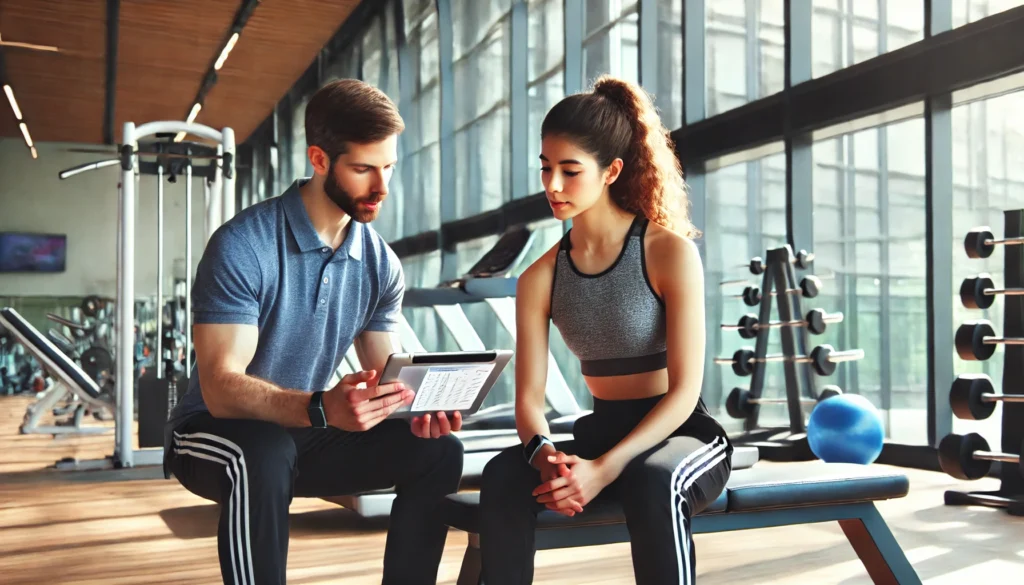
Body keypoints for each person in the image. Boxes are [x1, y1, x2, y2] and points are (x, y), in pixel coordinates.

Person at [163, 79, 465, 585]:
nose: (382, 187)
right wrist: (321, 407)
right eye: (364, 169)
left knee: (438, 451)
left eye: (388, 167)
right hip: (212, 435)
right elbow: (219, 388)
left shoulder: (380, 263)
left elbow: (382, 371)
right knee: (263, 450)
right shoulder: (243, 246)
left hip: (307, 432)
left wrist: (416, 406)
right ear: (320, 160)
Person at [478, 75, 733, 585]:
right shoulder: (539, 277)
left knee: (653, 480)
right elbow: (529, 400)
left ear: (611, 170)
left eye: (570, 172)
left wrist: (605, 468)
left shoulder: (667, 252)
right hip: (601, 430)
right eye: (546, 169)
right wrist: (543, 454)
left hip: (682, 433)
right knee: (504, 475)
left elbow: (684, 394)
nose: (552, 186)